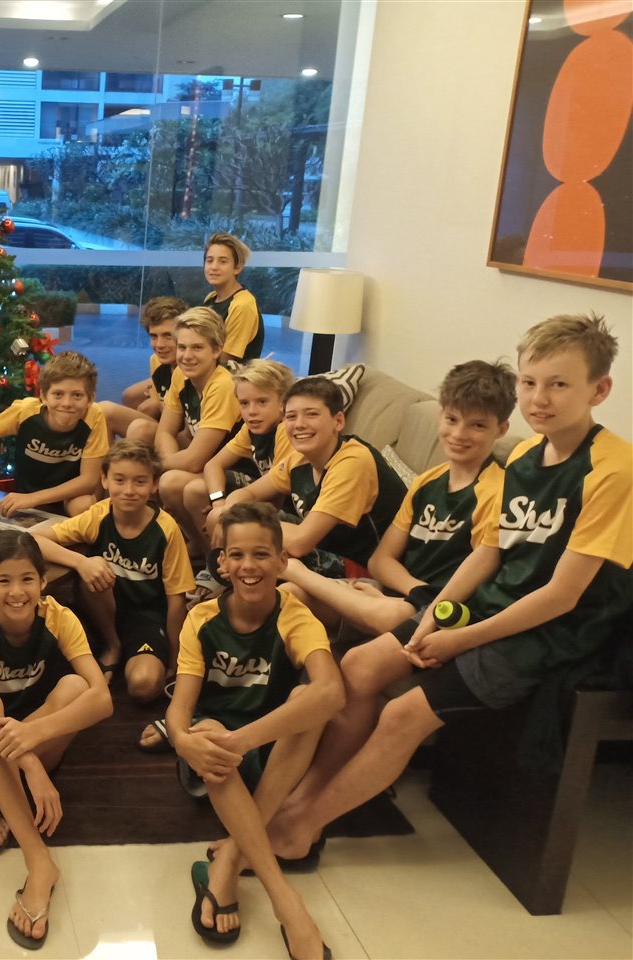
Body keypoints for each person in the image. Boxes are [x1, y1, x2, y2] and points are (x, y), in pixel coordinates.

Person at [266, 314, 631, 888]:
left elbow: (563, 596)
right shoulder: (526, 457)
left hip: (552, 634)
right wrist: (432, 617)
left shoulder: (614, 470)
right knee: (358, 665)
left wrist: (459, 639)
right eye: (530, 382)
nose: (539, 398)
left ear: (599, 389)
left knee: (403, 713)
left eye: (559, 384)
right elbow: (488, 556)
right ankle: (304, 796)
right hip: (489, 608)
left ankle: (300, 827)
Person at [168, 502, 341, 960]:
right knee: (208, 731)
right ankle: (288, 903)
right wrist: (183, 741)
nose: (249, 566)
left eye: (261, 554)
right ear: (221, 563)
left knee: (308, 699)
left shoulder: (295, 616)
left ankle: (228, 862)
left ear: (282, 562)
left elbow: (332, 693)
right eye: (237, 555)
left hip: (271, 753)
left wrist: (243, 740)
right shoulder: (201, 619)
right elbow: (179, 714)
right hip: (214, 759)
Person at [0, 531, 112, 946]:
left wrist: (31, 735)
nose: (17, 592)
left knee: (76, 687)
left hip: (32, 733)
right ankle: (39, 861)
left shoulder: (59, 617)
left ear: (43, 582)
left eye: (27, 579)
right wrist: (29, 759)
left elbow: (103, 699)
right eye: (4, 580)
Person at [279, 360, 515, 636]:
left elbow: (478, 579)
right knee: (288, 596)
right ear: (440, 415)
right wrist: (412, 592)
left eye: (477, 425)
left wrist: (415, 599)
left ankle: (295, 570)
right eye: (452, 420)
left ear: (501, 429)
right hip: (401, 592)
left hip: (440, 608)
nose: (459, 434)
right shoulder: (426, 482)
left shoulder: (498, 491)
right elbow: (381, 560)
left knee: (385, 616)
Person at [34, 440, 194, 700]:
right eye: (119, 480)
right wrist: (81, 562)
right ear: (105, 480)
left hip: (146, 619)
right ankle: (112, 646)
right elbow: (35, 539)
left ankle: (124, 656)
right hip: (99, 611)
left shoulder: (166, 529)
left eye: (139, 482)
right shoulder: (98, 514)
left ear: (154, 484)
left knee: (144, 686)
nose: (128, 491)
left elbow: (176, 599)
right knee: (94, 569)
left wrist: (176, 659)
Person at [218, 377, 406, 579]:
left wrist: (240, 524)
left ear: (338, 421)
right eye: (291, 416)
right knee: (228, 521)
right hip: (324, 544)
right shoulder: (300, 457)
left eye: (311, 414)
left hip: (365, 567)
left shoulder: (353, 461)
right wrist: (229, 511)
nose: (299, 424)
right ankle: (223, 575)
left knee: (263, 551)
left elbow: (300, 542)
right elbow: (249, 492)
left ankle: (228, 576)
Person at [132, 308, 241, 554]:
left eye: (197, 348)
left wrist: (150, 469)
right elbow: (165, 431)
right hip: (206, 462)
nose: (187, 356)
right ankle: (197, 545)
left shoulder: (222, 385)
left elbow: (194, 460)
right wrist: (165, 462)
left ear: (216, 350)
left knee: (172, 482)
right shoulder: (181, 375)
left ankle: (216, 556)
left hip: (234, 469)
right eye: (182, 347)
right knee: (160, 465)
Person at [185, 358, 296, 565]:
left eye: (262, 402)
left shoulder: (286, 430)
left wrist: (227, 511)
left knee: (218, 516)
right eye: (244, 403)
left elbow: (277, 496)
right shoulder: (250, 428)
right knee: (197, 492)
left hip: (291, 513)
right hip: (262, 496)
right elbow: (213, 465)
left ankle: (225, 567)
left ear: (283, 403)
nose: (251, 411)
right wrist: (218, 502)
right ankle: (217, 563)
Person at [0, 350, 107, 518]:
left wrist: (35, 498)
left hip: (68, 497)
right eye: (58, 394)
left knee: (83, 506)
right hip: (25, 496)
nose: (67, 403)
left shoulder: (94, 417)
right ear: (43, 395)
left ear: (90, 398)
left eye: (77, 395)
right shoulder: (25, 411)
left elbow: (89, 480)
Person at [98, 296, 187, 439]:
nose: (159, 345)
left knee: (139, 428)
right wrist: (155, 402)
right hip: (167, 428)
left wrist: (156, 403)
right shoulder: (156, 361)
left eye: (168, 336)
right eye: (154, 336)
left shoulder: (192, 370)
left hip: (187, 439)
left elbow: (186, 431)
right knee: (104, 410)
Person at [202, 231, 263, 364]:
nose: (214, 267)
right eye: (209, 260)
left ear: (237, 267)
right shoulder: (211, 298)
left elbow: (225, 361)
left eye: (223, 261)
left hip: (232, 376)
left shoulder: (243, 304)